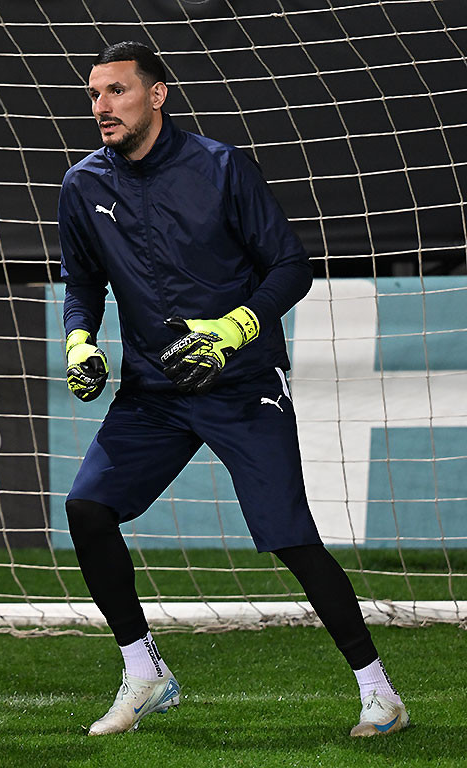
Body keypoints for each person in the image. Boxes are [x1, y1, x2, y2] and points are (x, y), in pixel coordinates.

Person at [59, 42, 407, 738]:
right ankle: (144, 673)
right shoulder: (82, 184)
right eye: (94, 94)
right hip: (154, 391)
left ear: (157, 95)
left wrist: (234, 328)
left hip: (243, 385)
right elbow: (83, 282)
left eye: (117, 91)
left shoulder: (221, 167)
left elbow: (291, 267)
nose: (101, 107)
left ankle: (380, 693)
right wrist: (79, 340)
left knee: (290, 537)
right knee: (88, 510)